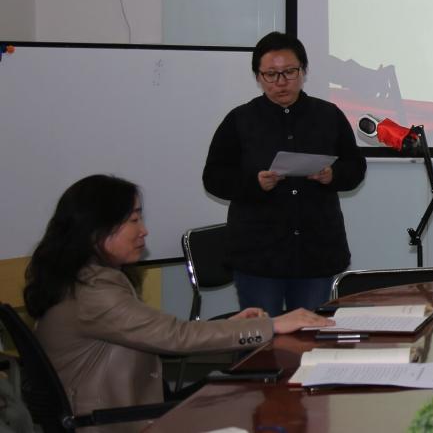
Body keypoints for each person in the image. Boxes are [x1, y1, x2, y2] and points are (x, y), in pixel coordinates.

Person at [22, 175, 330, 431]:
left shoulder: (82, 278)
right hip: (109, 422)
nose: (143, 230)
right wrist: (271, 325)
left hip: (124, 409)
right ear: (96, 230)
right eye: (133, 220)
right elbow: (175, 336)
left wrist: (234, 326)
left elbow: (160, 332)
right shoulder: (94, 291)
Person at [203, 31, 367, 315]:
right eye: (271, 75)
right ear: (258, 77)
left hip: (316, 251)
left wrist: (333, 175)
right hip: (258, 254)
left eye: (290, 72)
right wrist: (254, 183)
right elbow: (214, 177)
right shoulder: (240, 120)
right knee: (261, 334)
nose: (281, 82)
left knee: (309, 333)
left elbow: (355, 167)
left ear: (304, 71)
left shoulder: (328, 115)